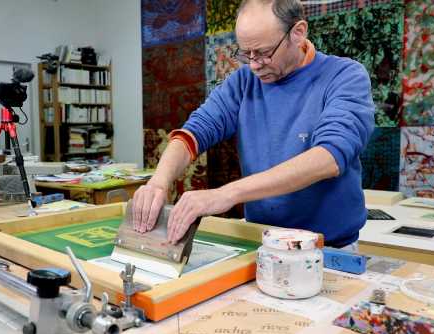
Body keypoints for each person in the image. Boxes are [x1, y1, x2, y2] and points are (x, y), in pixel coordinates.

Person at [132, 0, 375, 249]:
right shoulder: (243, 82)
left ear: (298, 33)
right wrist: (158, 183)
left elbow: (329, 157)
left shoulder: (344, 76)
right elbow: (193, 133)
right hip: (261, 242)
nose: (255, 65)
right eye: (245, 54)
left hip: (329, 247)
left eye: (264, 52)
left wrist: (225, 194)